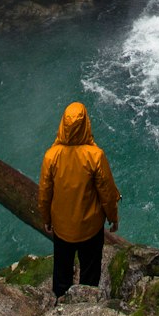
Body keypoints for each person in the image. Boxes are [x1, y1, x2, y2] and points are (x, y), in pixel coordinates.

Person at [38, 100, 121, 299]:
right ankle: (85, 307)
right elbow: (107, 194)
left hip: (62, 228)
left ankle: (59, 306)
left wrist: (46, 219)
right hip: (90, 228)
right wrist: (113, 217)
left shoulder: (52, 156)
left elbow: (44, 193)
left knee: (62, 273)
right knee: (90, 274)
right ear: (86, 125)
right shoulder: (95, 156)